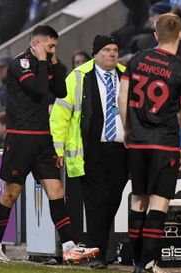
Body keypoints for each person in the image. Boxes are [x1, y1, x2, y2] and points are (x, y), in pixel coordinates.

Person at [0, 25, 99, 264]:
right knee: (12, 192)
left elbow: (60, 91)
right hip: (20, 138)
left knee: (57, 190)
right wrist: (41, 60)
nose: (52, 50)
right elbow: (38, 89)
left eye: (55, 47)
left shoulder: (46, 62)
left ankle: (68, 246)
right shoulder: (21, 64)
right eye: (50, 46)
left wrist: (54, 61)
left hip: (43, 138)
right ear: (37, 43)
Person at [50, 35, 128, 269]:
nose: (112, 54)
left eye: (115, 49)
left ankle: (99, 249)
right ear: (96, 53)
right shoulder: (78, 76)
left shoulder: (127, 75)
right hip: (91, 150)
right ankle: (98, 255)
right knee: (95, 204)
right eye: (107, 50)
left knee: (113, 201)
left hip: (121, 149)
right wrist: (58, 147)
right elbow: (60, 115)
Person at [118, 13, 181, 273]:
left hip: (137, 142)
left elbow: (122, 98)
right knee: (159, 204)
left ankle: (137, 263)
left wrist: (128, 129)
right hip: (165, 144)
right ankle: (148, 263)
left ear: (155, 35)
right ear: (180, 35)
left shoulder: (136, 59)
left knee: (138, 200)